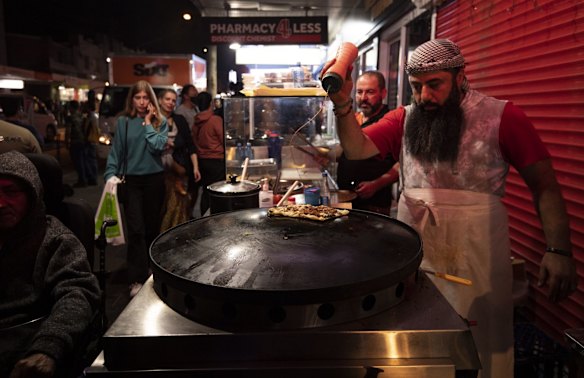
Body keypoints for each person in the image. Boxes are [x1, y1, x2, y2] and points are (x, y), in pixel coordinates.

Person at [322, 39, 577, 378]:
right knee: (417, 342)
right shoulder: (405, 118)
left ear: (460, 77)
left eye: (434, 84)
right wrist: (342, 103)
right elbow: (357, 150)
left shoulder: (503, 117)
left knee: (481, 345)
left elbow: (544, 185)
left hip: (479, 255)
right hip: (418, 250)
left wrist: (559, 250)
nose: (425, 96)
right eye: (416, 87)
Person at [0, 150, 100, 377]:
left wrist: (48, 347)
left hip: (26, 348)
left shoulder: (54, 239)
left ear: (32, 193)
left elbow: (78, 293)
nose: (1, 203)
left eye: (10, 192)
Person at [104, 80, 168, 297]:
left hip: (154, 180)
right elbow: (117, 151)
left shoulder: (161, 121)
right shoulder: (123, 121)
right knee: (136, 230)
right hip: (131, 181)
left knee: (152, 228)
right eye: (138, 97)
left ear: (151, 100)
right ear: (132, 99)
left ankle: (153, 271)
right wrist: (110, 174)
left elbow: (157, 146)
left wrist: (149, 123)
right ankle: (136, 277)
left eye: (145, 97)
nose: (142, 102)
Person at [336, 71, 397, 215]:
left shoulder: (390, 122)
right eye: (359, 92)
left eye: (370, 92)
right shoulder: (355, 119)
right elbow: (347, 149)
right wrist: (328, 155)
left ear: (383, 93)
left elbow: (403, 163)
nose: (363, 98)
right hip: (347, 199)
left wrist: (376, 184)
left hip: (374, 204)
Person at [158, 89, 201, 231]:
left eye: (173, 100)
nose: (170, 103)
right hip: (157, 172)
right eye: (167, 99)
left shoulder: (179, 120)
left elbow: (190, 144)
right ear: (159, 100)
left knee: (178, 209)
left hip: (179, 171)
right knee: (160, 209)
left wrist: (195, 167)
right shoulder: (152, 121)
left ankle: (176, 238)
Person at [193, 91, 225, 216]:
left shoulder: (196, 121)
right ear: (211, 103)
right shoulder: (215, 120)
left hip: (202, 161)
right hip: (216, 161)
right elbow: (223, 140)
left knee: (206, 192)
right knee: (217, 191)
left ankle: (203, 218)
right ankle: (216, 217)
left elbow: (194, 141)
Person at [65, 100, 92, 187]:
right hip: (83, 140)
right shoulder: (81, 116)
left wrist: (67, 142)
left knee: (78, 162)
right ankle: (89, 178)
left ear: (71, 108)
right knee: (84, 160)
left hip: (75, 141)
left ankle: (82, 180)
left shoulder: (70, 118)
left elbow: (68, 131)